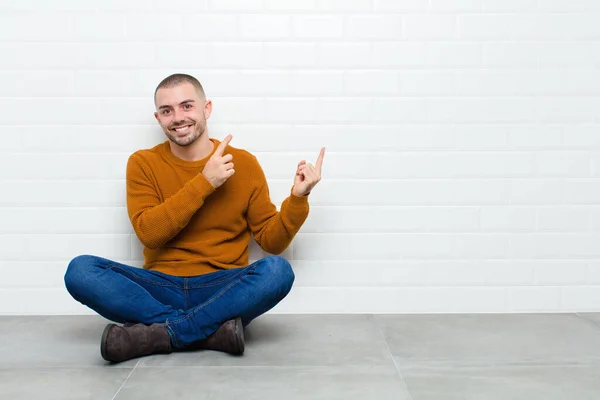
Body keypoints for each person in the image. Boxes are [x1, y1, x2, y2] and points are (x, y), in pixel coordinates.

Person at [64, 73, 325, 363]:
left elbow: (271, 242)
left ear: (206, 108)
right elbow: (149, 233)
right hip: (159, 287)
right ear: (158, 117)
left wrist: (298, 198)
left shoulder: (244, 164)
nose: (177, 117)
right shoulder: (143, 163)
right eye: (167, 110)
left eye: (187, 106)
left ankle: (163, 332)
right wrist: (205, 183)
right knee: (81, 271)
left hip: (222, 287)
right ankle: (208, 331)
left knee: (278, 271)